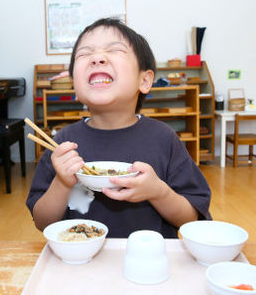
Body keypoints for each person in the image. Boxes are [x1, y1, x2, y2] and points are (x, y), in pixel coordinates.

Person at [26, 18, 211, 238]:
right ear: (74, 86)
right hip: (79, 263)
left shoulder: (163, 138)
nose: (97, 58)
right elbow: (41, 221)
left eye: (114, 50)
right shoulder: (63, 143)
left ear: (145, 80)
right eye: (84, 54)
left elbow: (191, 219)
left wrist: (158, 192)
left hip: (147, 263)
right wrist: (62, 183)